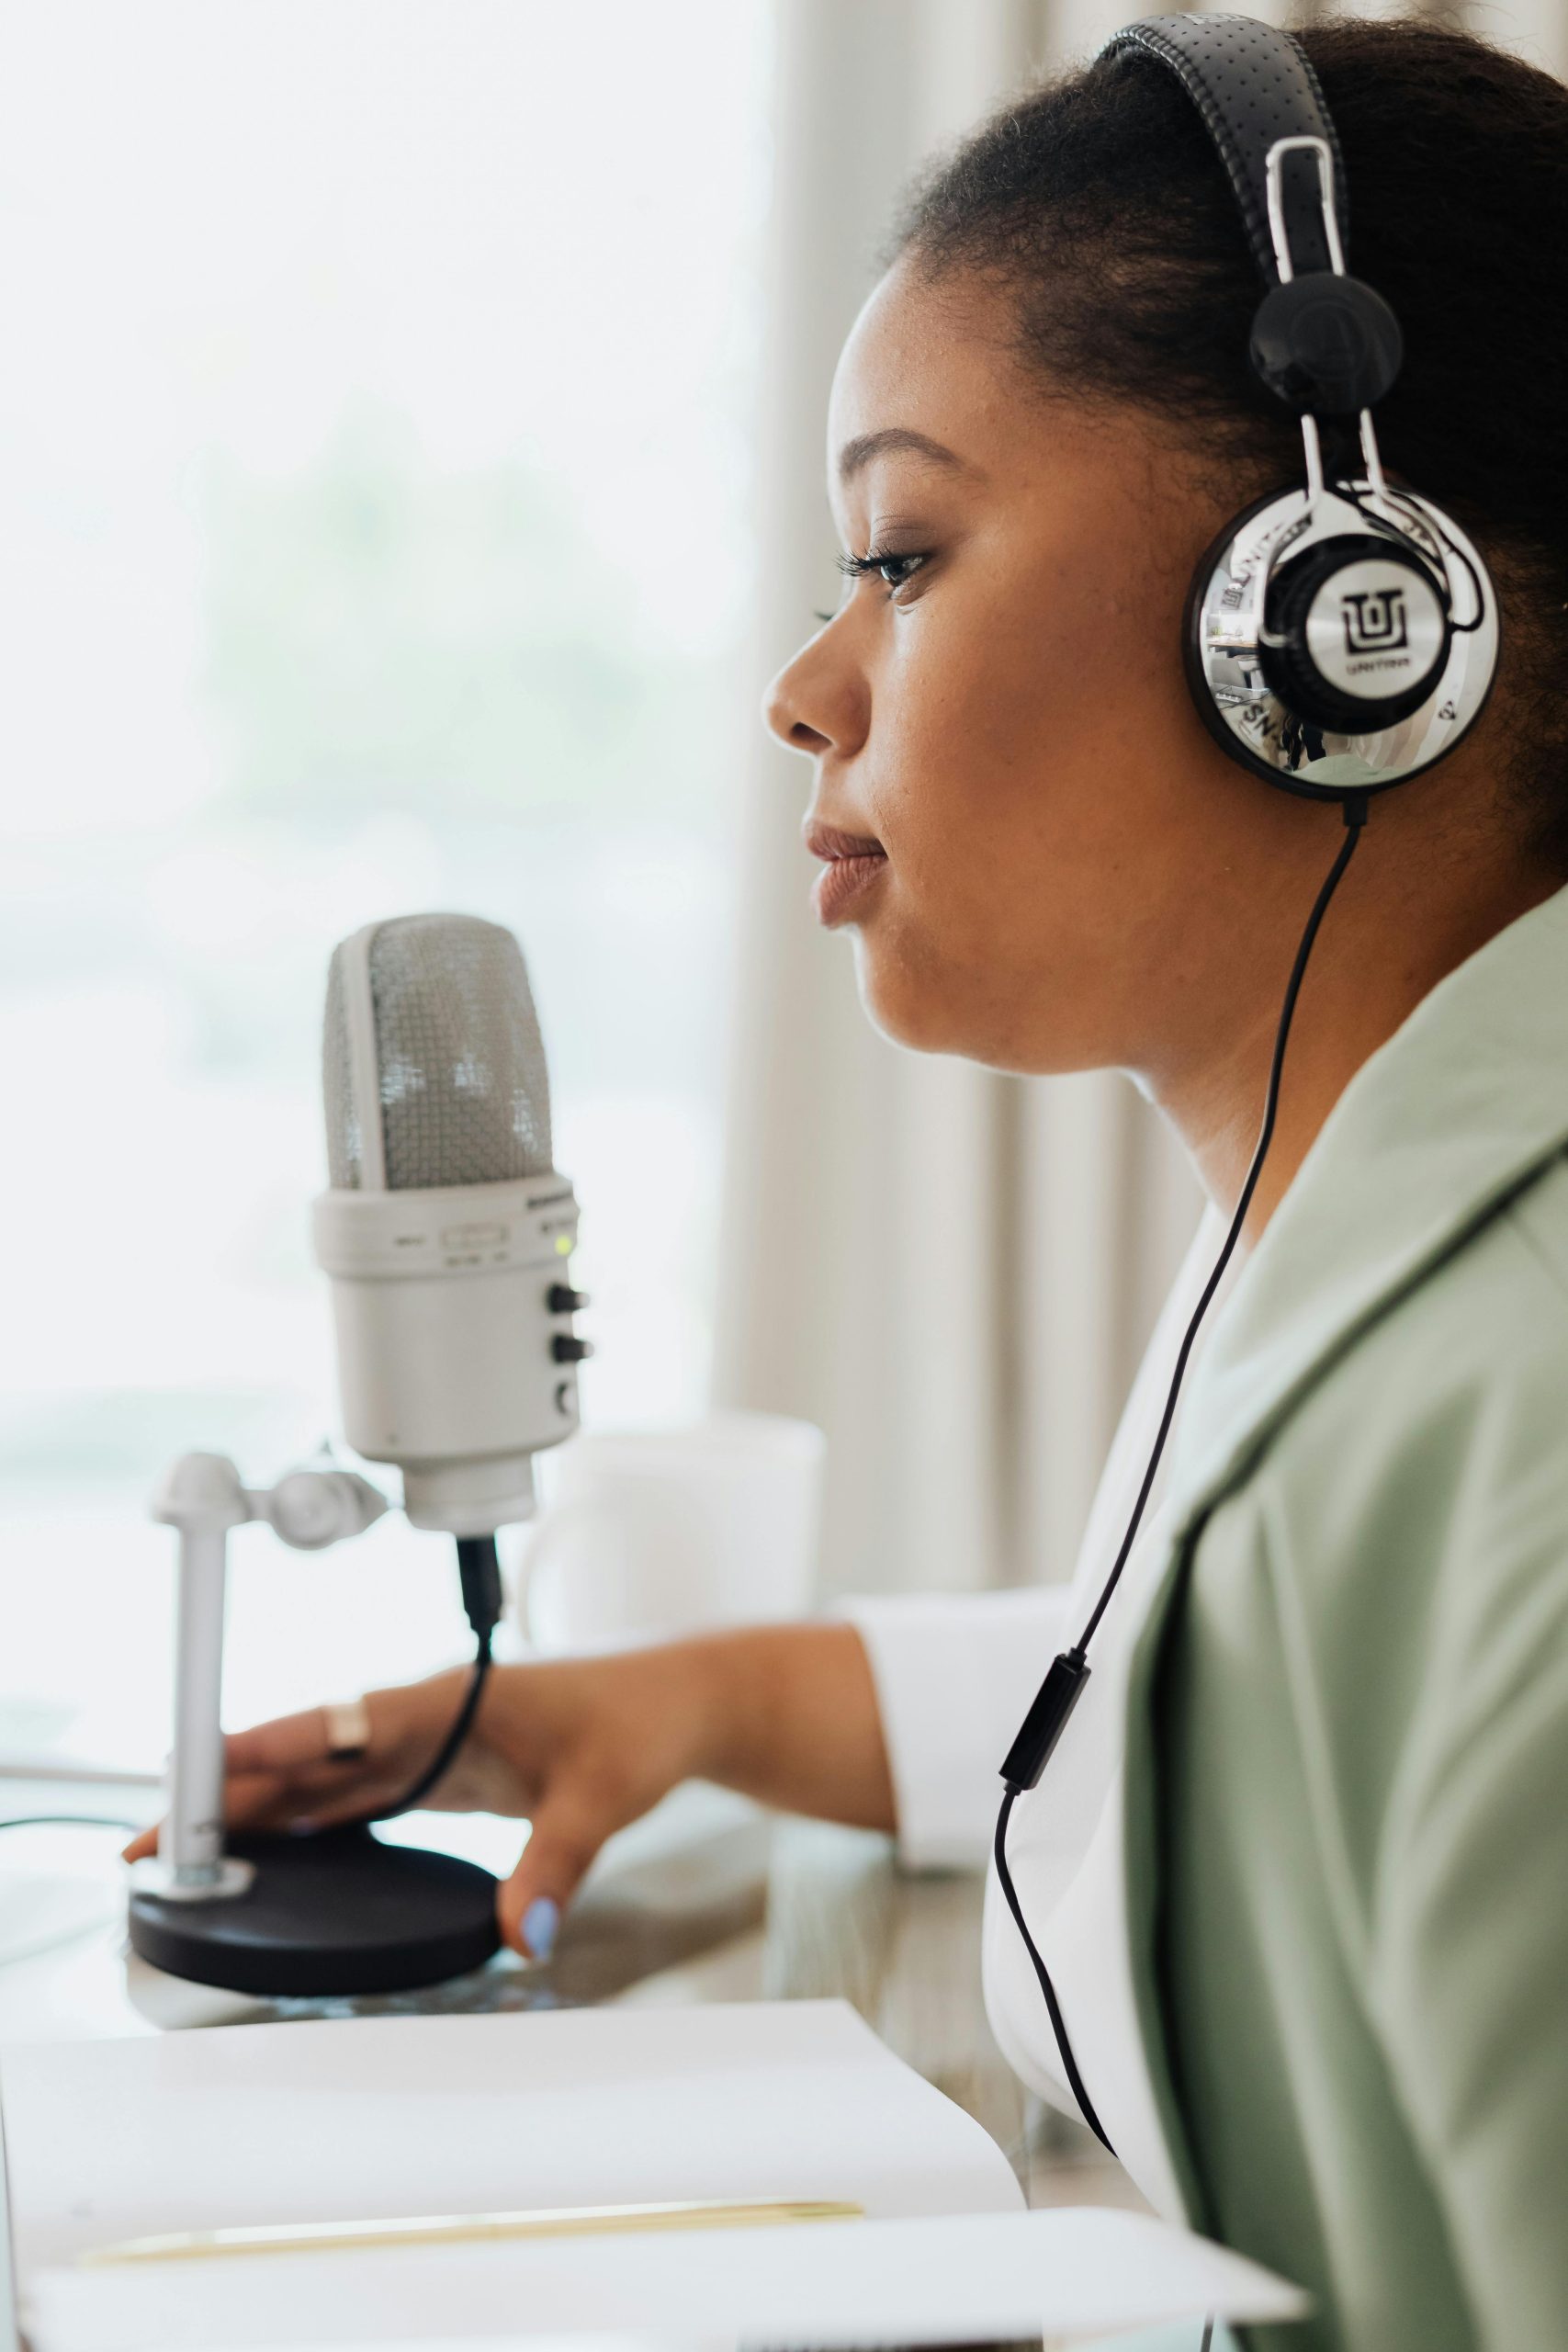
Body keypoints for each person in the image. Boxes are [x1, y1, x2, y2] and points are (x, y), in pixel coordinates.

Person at [129, 20, 1568, 2350]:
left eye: (903, 548)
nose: (807, 684)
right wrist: (694, 1696)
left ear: (1335, 611)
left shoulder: (1517, 1380)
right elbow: (1266, 1704)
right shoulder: (1365, 1245)